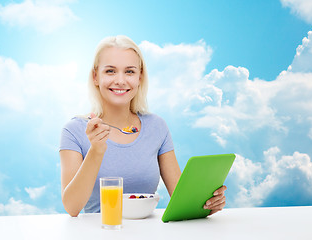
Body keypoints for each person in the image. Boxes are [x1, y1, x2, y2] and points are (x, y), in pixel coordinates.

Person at [59, 35, 227, 217]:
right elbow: (72, 207)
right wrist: (96, 151)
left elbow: (182, 199)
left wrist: (207, 204)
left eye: (129, 71)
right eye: (110, 71)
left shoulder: (157, 126)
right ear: (95, 77)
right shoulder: (74, 131)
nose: (120, 80)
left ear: (140, 77)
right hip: (101, 231)